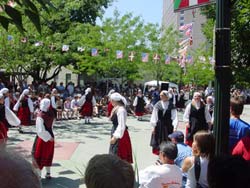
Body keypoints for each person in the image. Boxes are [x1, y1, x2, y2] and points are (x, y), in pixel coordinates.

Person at [32, 98, 55, 179]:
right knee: (48, 155)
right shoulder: (50, 114)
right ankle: (47, 173)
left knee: (40, 155)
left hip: (43, 139)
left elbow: (40, 131)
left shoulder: (40, 116)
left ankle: (39, 175)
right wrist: (50, 137)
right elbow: (51, 126)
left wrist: (48, 137)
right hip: (50, 137)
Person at [150, 90, 178, 155]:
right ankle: (160, 154)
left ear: (166, 96)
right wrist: (153, 127)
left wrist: (175, 127)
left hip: (168, 125)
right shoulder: (157, 105)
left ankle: (166, 153)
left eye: (162, 95)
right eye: (160, 95)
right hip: (159, 125)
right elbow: (154, 116)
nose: (161, 96)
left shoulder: (171, 105)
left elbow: (175, 117)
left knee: (167, 139)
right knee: (159, 139)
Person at [109, 92, 133, 163]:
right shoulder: (117, 108)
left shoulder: (121, 110)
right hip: (116, 131)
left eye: (111, 100)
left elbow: (121, 124)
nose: (111, 102)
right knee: (114, 152)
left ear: (114, 100)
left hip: (120, 135)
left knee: (118, 154)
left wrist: (115, 137)